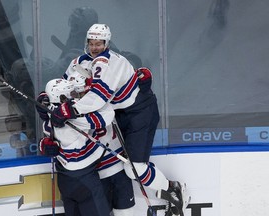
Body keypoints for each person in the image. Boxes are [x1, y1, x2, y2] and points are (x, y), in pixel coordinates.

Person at [49, 23, 189, 215]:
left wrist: (69, 110)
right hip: (117, 114)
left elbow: (98, 98)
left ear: (106, 43)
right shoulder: (78, 62)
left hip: (139, 113)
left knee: (134, 169)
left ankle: (172, 189)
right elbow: (63, 86)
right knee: (113, 163)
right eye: (92, 43)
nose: (95, 47)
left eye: (99, 43)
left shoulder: (109, 63)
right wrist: (47, 97)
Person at [38, 76, 135, 216]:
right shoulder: (74, 119)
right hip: (86, 182)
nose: (75, 97)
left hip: (65, 180)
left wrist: (44, 143)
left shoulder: (49, 117)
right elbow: (106, 115)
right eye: (71, 94)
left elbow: (49, 133)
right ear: (62, 98)